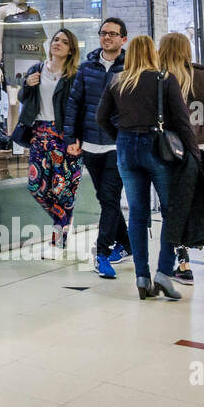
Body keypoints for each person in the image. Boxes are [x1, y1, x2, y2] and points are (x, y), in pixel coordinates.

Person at [96, 36, 200, 300]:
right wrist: (194, 154)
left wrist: (120, 135)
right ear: (153, 54)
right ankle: (164, 273)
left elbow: (101, 118)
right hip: (158, 148)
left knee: (137, 215)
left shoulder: (117, 80)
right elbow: (182, 121)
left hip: (126, 148)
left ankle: (142, 277)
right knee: (170, 211)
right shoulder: (164, 79)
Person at [157, 32, 204, 282]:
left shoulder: (159, 78)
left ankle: (184, 263)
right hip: (203, 147)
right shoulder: (201, 75)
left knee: (174, 205)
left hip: (171, 150)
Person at [64, 17, 131, 279]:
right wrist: (71, 138)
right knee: (106, 199)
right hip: (90, 146)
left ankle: (101, 253)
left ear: (123, 39)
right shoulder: (87, 67)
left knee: (111, 198)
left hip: (118, 145)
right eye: (104, 33)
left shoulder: (130, 67)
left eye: (113, 34)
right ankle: (126, 244)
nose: (107, 37)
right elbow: (74, 105)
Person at [17, 28, 82, 256]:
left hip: (65, 137)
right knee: (36, 187)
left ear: (71, 49)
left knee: (63, 191)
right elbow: (22, 98)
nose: (58, 43)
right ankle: (61, 221)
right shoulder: (36, 69)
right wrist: (27, 85)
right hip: (40, 134)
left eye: (64, 42)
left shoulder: (74, 74)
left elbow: (80, 108)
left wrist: (77, 138)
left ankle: (58, 239)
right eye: (56, 39)